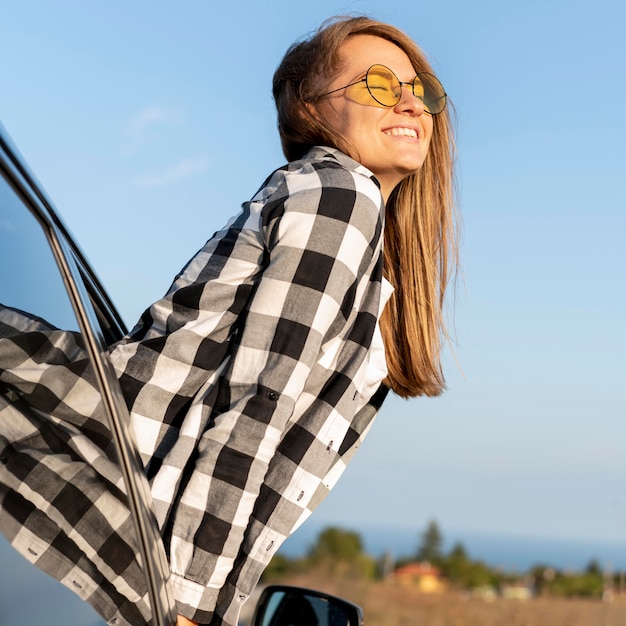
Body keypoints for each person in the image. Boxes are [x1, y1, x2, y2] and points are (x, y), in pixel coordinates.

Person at [0, 14, 457, 626]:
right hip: (112, 504)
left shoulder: (355, 230)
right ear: (313, 111)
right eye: (378, 83)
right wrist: (186, 606)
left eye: (421, 88)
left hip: (122, 517)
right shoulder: (342, 197)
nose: (410, 100)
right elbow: (258, 403)